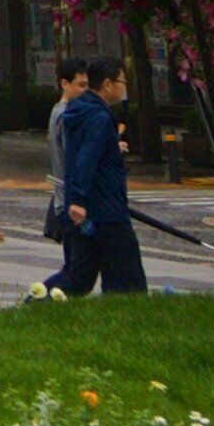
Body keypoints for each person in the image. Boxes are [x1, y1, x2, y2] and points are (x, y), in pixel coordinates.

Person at [50, 59, 146, 296]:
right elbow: (86, 160)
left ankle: (38, 301)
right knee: (128, 277)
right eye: (122, 81)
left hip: (90, 207)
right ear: (107, 84)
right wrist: (79, 200)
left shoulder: (80, 113)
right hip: (105, 208)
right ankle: (38, 302)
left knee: (79, 276)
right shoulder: (98, 118)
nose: (124, 87)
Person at [41, 56, 96, 295]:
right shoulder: (67, 116)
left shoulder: (60, 112)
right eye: (81, 85)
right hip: (72, 203)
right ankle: (38, 298)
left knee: (76, 271)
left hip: (66, 200)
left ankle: (40, 298)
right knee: (76, 275)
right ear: (65, 83)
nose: (85, 91)